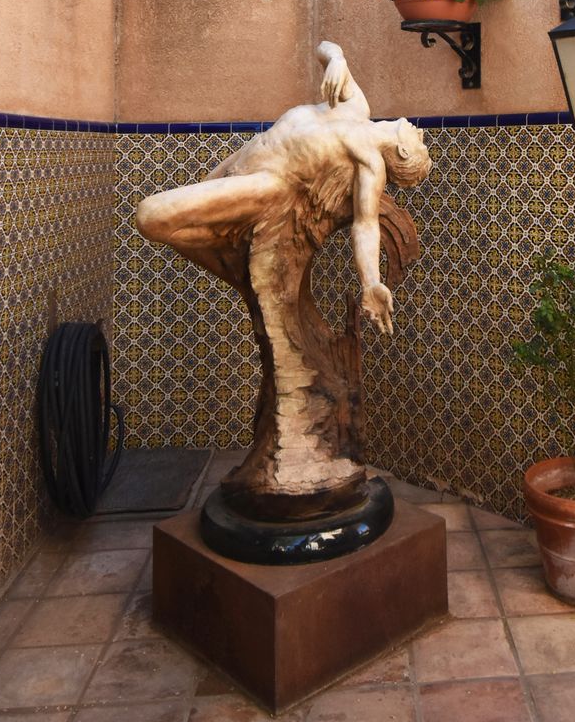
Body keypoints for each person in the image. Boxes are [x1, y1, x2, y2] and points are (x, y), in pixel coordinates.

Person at [135, 43, 430, 512]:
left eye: (419, 144)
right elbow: (326, 46)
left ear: (399, 154)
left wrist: (370, 280)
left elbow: (366, 223)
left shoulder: (370, 165)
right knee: (178, 225)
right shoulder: (356, 106)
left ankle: (242, 275)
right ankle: (241, 274)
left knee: (151, 215)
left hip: (263, 187)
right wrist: (336, 59)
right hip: (239, 161)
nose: (418, 131)